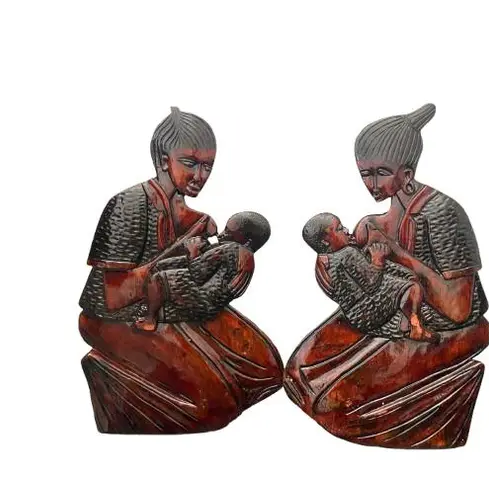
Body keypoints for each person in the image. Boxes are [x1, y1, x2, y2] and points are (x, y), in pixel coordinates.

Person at [285, 104, 489, 448]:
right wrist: (329, 265)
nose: (372, 184)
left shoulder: (443, 214)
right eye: (365, 173)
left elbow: (458, 309)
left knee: (333, 401)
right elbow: (360, 281)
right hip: (386, 310)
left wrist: (398, 255)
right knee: (299, 373)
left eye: (382, 173)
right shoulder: (379, 219)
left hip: (445, 325)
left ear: (407, 173)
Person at [79, 108, 282, 434]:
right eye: (190, 163)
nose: (200, 175)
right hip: (118, 320)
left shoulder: (198, 221)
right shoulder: (127, 206)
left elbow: (207, 270)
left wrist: (243, 253)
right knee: (216, 402)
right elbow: (114, 297)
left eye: (208, 166)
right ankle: (112, 384)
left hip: (179, 306)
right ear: (164, 160)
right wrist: (179, 255)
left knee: (266, 371)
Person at [302, 212, 439, 342]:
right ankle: (416, 326)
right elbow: (372, 283)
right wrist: (377, 259)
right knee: (412, 287)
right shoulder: (347, 253)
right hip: (372, 307)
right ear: (326, 242)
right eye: (339, 229)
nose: (346, 230)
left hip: (356, 318)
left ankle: (403, 323)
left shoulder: (322, 266)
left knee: (394, 279)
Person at [134, 212, 271, 331]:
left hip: (203, 298)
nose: (221, 235)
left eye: (228, 233)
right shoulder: (243, 255)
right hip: (212, 298)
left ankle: (149, 319)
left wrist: (193, 250)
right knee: (164, 264)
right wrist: (203, 248)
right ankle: (151, 301)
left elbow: (198, 274)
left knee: (159, 279)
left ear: (247, 241)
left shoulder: (232, 249)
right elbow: (210, 260)